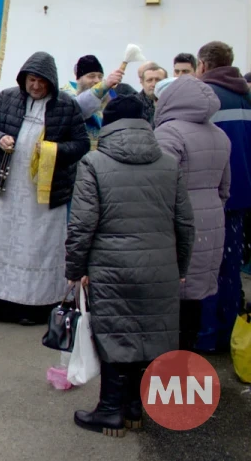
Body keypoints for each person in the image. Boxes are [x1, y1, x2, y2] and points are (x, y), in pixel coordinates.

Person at [66, 95, 194, 437]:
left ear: (108, 124)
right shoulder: (169, 164)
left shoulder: (94, 163)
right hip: (160, 267)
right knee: (149, 336)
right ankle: (135, 409)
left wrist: (74, 269)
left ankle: (110, 410)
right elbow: (185, 223)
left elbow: (81, 225)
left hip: (111, 267)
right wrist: (179, 266)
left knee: (115, 333)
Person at [0, 52, 90, 326]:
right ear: (23, 79)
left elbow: (82, 143)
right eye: (31, 80)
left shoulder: (66, 105)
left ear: (51, 82)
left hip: (45, 192)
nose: (36, 86)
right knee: (3, 243)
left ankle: (35, 307)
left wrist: (54, 150)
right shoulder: (7, 98)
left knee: (38, 247)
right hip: (8, 187)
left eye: (41, 81)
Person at [153, 76, 230, 351]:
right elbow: (225, 188)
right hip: (212, 223)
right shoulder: (219, 134)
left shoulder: (168, 133)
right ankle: (186, 358)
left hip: (178, 223)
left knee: (170, 297)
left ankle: (164, 367)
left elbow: (161, 184)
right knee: (194, 297)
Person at [196, 41, 251, 352]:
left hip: (211, 195)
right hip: (241, 196)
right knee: (230, 268)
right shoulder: (245, 96)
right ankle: (229, 332)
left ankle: (206, 336)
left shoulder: (207, 98)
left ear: (203, 65)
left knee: (205, 268)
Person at [63, 55, 124, 150]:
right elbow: (78, 108)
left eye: (100, 77)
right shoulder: (65, 95)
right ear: (78, 78)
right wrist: (105, 85)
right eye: (91, 76)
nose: (97, 81)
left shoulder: (107, 98)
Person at [138, 62, 166, 128]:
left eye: (158, 80)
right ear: (142, 83)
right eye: (149, 80)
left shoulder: (174, 103)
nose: (154, 84)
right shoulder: (134, 105)